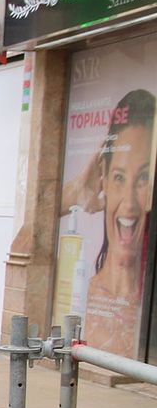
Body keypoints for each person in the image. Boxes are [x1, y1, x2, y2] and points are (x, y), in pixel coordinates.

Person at [68, 88, 154, 357]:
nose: (129, 203)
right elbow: (44, 203)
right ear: (102, 176)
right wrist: (82, 185)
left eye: (142, 178)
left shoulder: (146, 306)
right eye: (119, 177)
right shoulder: (87, 292)